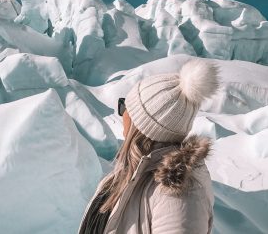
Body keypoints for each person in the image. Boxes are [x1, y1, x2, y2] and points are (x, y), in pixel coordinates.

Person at [78, 58, 220, 234]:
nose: (121, 114)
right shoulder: (123, 178)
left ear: (140, 124)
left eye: (124, 107)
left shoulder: (177, 195)